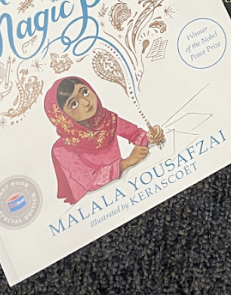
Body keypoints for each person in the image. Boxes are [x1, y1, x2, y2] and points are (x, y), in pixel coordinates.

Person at [44, 77, 163, 205]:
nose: (86, 102)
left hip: (122, 187)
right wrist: (126, 163)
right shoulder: (62, 150)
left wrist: (150, 136)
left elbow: (135, 134)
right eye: (74, 104)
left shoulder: (106, 119)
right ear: (61, 117)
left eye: (85, 92)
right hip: (95, 204)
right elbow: (90, 181)